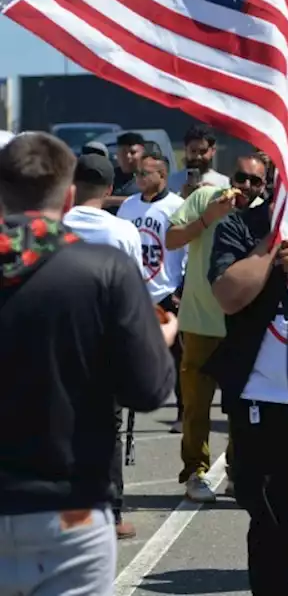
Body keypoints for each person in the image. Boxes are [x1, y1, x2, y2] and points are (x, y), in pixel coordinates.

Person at [0, 133, 178, 592]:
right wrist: (159, 339)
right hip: (71, 506)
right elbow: (148, 389)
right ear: (70, 195)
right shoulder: (103, 268)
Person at [204, 154, 288, 596]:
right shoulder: (240, 226)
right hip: (259, 399)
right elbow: (229, 296)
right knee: (268, 515)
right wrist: (270, 247)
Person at [61, 152, 148, 537]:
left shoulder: (54, 223)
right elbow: (136, 290)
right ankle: (109, 513)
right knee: (106, 429)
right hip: (105, 343)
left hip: (59, 340)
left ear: (72, 185)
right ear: (110, 189)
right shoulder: (122, 231)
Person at [165, 164, 244, 503]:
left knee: (242, 407)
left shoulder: (264, 210)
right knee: (196, 407)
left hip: (242, 326)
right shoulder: (205, 198)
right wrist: (206, 219)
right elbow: (171, 239)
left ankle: (239, 472)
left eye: (257, 181)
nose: (247, 187)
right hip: (199, 322)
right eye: (242, 179)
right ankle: (195, 472)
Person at [118, 148, 189, 432]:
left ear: (162, 175)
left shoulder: (176, 206)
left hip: (167, 290)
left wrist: (181, 289)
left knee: (178, 358)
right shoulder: (128, 207)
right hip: (136, 291)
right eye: (136, 173)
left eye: (144, 173)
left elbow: (188, 250)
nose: (138, 178)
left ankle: (184, 412)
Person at [181, 123, 231, 194]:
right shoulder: (172, 181)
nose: (198, 156)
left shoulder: (223, 183)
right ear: (185, 150)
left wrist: (214, 194)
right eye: (193, 151)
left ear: (213, 151)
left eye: (203, 151)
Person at [104, 130, 146, 213]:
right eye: (123, 152)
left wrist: (109, 201)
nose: (128, 156)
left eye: (133, 152)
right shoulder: (108, 176)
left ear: (143, 153)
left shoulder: (150, 176)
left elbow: (149, 200)